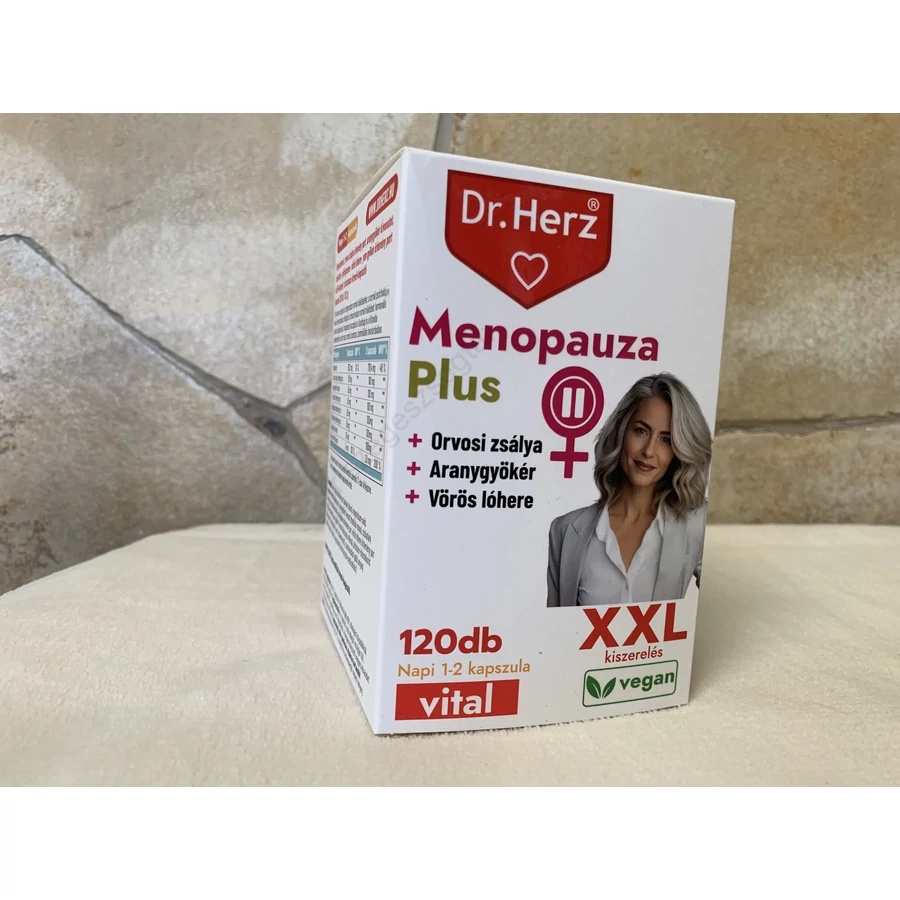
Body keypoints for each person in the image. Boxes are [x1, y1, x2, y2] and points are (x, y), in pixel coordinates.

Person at [547, 373, 712, 608]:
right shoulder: (565, 530)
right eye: (641, 431)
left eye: (666, 440)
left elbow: (728, 601)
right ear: (622, 431)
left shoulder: (699, 522)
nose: (649, 451)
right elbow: (556, 625)